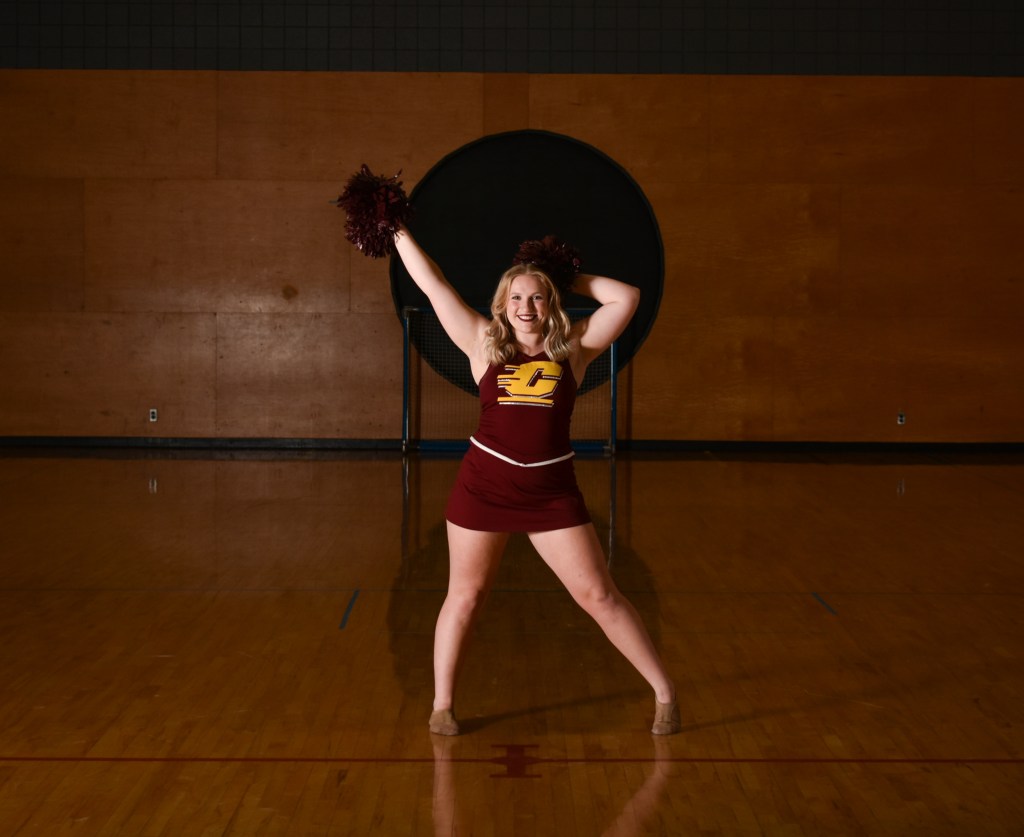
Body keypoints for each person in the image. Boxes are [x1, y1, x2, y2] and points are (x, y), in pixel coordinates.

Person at [393, 225, 680, 736]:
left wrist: (566, 276)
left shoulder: (574, 348)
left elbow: (626, 297)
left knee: (598, 595)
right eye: (518, 297)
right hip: (483, 487)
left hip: (550, 493)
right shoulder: (482, 343)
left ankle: (664, 693)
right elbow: (433, 284)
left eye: (539, 296)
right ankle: (443, 705)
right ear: (502, 304)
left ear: (552, 302)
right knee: (465, 596)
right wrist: (396, 231)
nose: (527, 306)